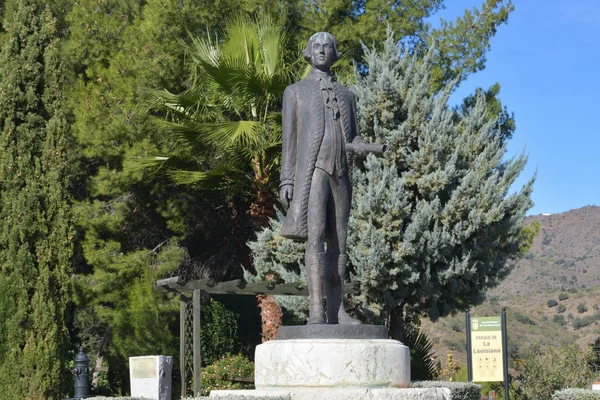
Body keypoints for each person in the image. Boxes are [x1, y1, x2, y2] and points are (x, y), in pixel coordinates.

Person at [279, 32, 365, 325]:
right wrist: (287, 179)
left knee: (340, 241)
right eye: (316, 46)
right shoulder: (296, 91)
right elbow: (288, 140)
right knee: (314, 235)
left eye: (327, 47)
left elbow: (354, 134)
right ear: (309, 52)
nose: (321, 50)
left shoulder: (347, 95)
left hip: (341, 173)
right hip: (313, 171)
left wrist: (362, 144)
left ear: (334, 53)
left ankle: (337, 310)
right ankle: (316, 309)